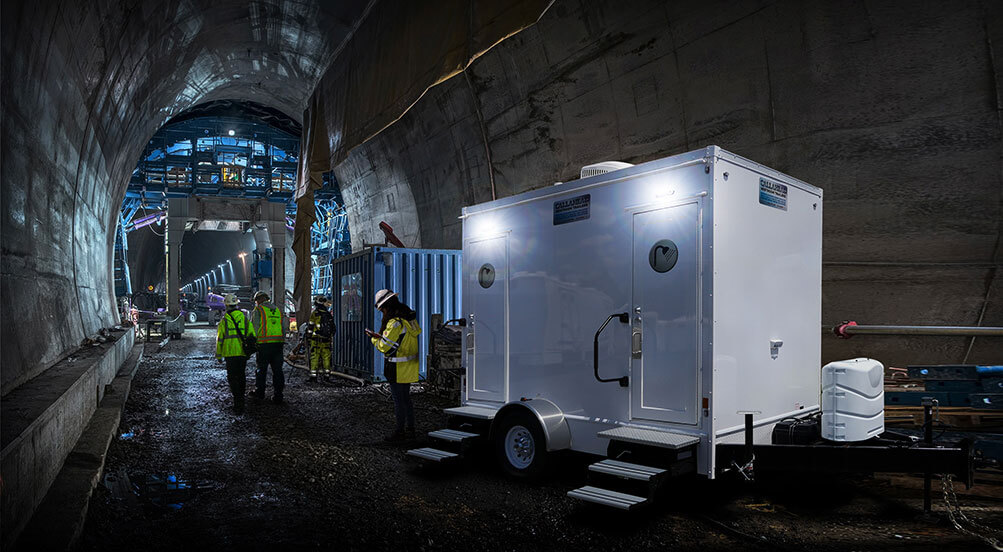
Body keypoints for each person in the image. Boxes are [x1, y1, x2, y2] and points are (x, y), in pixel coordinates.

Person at [369, 289, 421, 442]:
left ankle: (400, 432)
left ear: (386, 306)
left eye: (381, 309)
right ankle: (410, 430)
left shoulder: (394, 323)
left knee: (399, 401)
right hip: (409, 366)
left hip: (396, 368)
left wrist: (373, 339)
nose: (382, 312)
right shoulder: (409, 318)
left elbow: (385, 346)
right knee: (406, 399)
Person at [216, 293, 255, 414]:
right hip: (242, 353)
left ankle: (237, 401)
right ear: (236, 304)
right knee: (241, 376)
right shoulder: (244, 318)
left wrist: (218, 355)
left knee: (232, 378)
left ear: (226, 306)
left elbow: (220, 339)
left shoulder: (224, 320)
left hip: (230, 354)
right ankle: (241, 399)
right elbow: (252, 335)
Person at [251, 291, 287, 403]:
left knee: (261, 370)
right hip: (278, 345)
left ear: (260, 299)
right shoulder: (277, 310)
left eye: (256, 301)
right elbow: (283, 327)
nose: (256, 303)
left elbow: (254, 328)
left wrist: (252, 343)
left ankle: (259, 393)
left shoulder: (259, 310)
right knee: (278, 371)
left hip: (264, 345)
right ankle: (278, 395)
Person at [306, 295, 335, 382]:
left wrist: (308, 336)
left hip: (316, 340)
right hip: (326, 340)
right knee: (326, 358)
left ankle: (313, 376)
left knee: (314, 358)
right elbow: (333, 328)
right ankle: (327, 376)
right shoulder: (328, 314)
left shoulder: (315, 314)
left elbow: (310, 327)